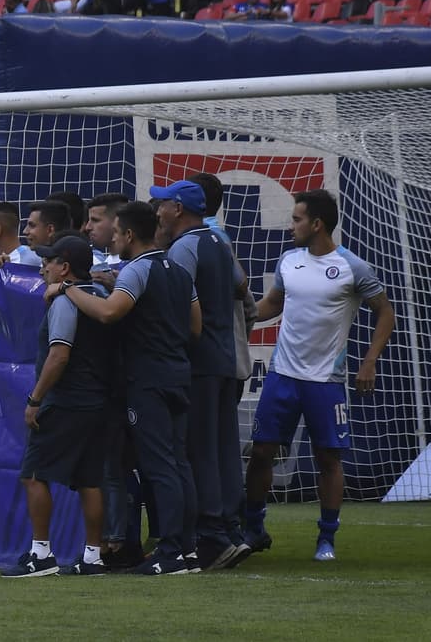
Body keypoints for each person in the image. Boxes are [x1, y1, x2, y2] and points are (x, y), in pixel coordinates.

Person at [47, 202, 201, 575]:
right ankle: (188, 549)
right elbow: (195, 327)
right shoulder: (178, 270)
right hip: (179, 374)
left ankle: (169, 553)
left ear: (130, 235)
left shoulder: (137, 269)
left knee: (158, 465)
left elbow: (109, 313)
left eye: (115, 233)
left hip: (147, 379)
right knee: (179, 463)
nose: (112, 238)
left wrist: (68, 288)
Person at [244, 190, 394, 562]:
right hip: (282, 376)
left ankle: (326, 538)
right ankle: (253, 526)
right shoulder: (289, 260)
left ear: (317, 224)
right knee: (262, 452)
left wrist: (369, 361)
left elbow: (386, 313)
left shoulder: (352, 267)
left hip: (325, 382)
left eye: (296, 219)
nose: (290, 225)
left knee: (328, 459)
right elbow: (272, 305)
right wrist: (239, 315)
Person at [2, 235, 116, 577]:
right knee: (90, 480)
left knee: (34, 474)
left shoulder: (66, 301)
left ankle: (41, 555)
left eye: (49, 261)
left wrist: (35, 399)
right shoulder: (103, 297)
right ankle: (93, 556)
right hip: (99, 401)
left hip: (67, 400)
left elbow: (59, 354)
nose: (43, 267)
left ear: (64, 268)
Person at [152, 180, 248, 571]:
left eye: (162, 204)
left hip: (201, 362)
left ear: (178, 209)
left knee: (199, 450)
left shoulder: (185, 246)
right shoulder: (218, 243)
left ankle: (212, 537)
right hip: (225, 359)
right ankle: (231, 528)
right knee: (224, 448)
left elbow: (174, 300)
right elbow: (242, 288)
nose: (157, 210)